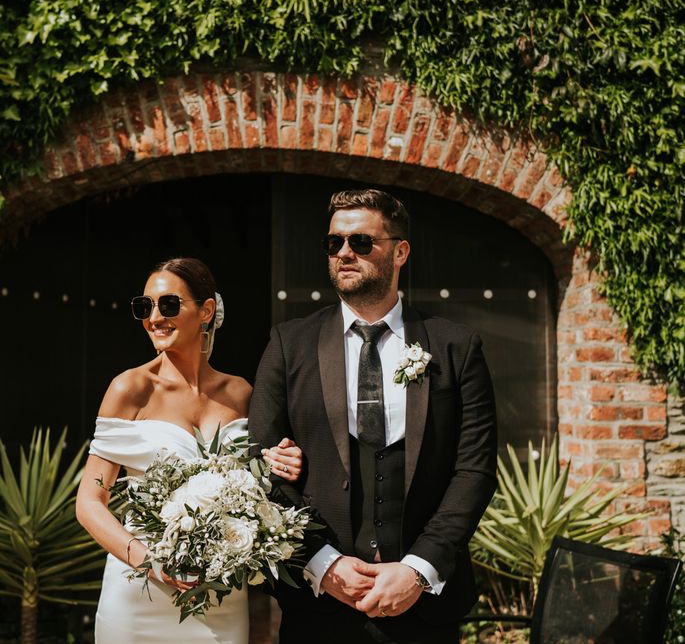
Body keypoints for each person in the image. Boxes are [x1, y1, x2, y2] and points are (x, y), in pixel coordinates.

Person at [249, 189, 498, 644]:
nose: (344, 252)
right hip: (318, 606)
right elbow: (257, 466)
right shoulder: (289, 344)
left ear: (400, 251)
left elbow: (475, 471)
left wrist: (418, 569)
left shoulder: (455, 347)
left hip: (425, 611)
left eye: (361, 242)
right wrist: (321, 562)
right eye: (334, 243)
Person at [76, 257, 303, 644]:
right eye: (144, 307)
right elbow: (89, 502)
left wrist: (286, 460)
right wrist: (151, 563)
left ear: (206, 312)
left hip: (220, 598)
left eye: (168, 305)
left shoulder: (242, 394)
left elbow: (265, 477)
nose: (154, 318)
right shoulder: (129, 390)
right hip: (138, 597)